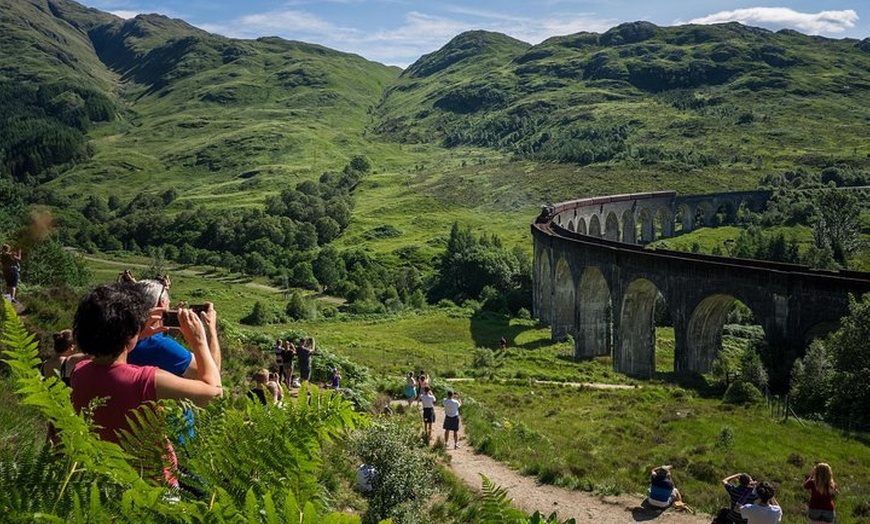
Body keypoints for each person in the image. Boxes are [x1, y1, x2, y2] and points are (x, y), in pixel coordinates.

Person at [69, 283, 222, 484]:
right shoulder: (146, 380)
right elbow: (214, 393)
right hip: (154, 484)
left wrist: (134, 334)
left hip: (109, 479)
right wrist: (200, 339)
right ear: (129, 334)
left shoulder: (79, 371)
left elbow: (107, 360)